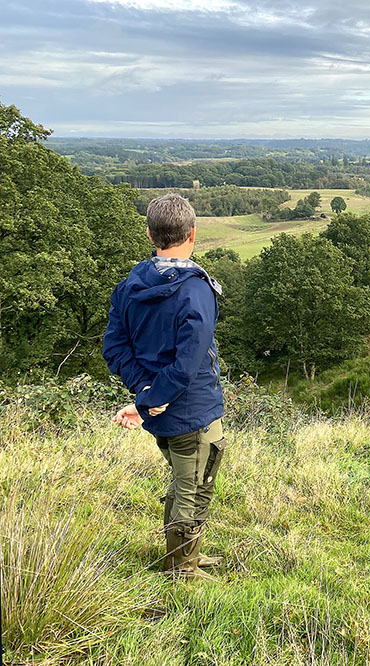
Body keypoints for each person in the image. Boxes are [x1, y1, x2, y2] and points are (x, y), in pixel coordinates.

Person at [103, 193, 225, 580]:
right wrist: (147, 400)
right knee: (195, 487)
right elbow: (188, 364)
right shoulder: (196, 289)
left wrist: (144, 393)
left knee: (183, 480)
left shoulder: (130, 286)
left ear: (150, 233)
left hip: (159, 411)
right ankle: (182, 569)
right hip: (192, 409)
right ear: (192, 232)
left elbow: (115, 346)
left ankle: (185, 553)